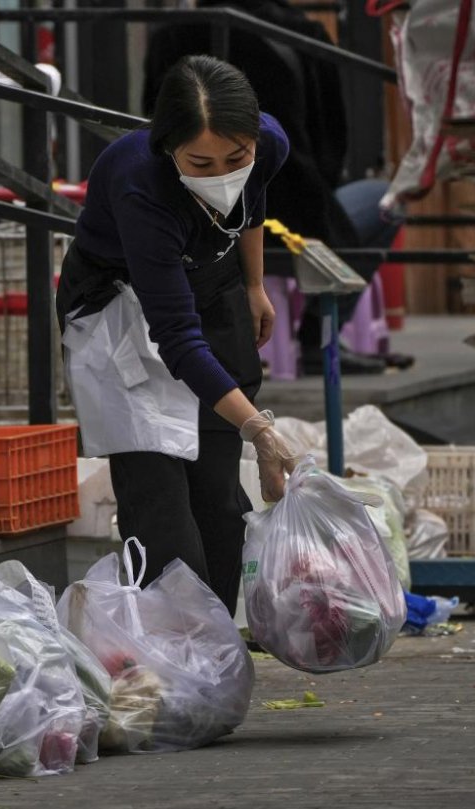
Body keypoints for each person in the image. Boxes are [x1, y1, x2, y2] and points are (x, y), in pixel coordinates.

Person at [57, 55, 297, 615]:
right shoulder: (140, 185)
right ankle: (173, 650)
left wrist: (254, 283)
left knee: (218, 495)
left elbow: (253, 196)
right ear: (169, 147)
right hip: (119, 306)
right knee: (159, 495)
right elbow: (178, 337)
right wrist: (262, 431)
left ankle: (216, 656)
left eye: (234, 158)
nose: (221, 175)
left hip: (213, 283)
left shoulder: (269, 143)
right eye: (201, 163)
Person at [143, 0, 407, 375]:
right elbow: (327, 144)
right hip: (288, 211)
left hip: (203, 209)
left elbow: (151, 129)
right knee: (386, 200)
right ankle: (321, 335)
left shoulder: (173, 36)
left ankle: (315, 336)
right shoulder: (295, 37)